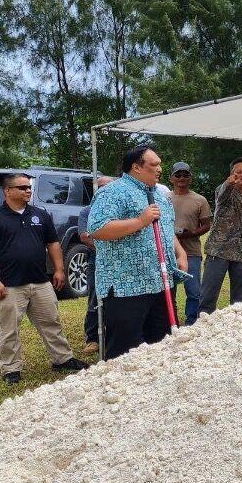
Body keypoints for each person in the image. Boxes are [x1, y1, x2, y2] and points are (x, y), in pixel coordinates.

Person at [0, 173, 89, 383]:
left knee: (52, 322)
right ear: (7, 191)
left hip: (40, 282)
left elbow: (53, 243)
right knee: (9, 329)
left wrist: (59, 270)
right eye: (22, 188)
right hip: (9, 285)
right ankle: (11, 369)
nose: (28, 190)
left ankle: (62, 359)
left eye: (28, 187)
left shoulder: (40, 214)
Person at [88, 146, 189, 359]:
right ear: (136, 167)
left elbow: (166, 229)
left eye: (160, 164)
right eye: (154, 165)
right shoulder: (112, 192)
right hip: (127, 286)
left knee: (163, 344)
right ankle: (121, 390)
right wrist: (140, 221)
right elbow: (97, 229)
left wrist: (180, 253)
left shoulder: (159, 195)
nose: (160, 169)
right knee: (125, 351)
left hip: (160, 282)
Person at [199, 157, 242, 314]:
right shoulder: (225, 190)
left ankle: (235, 331)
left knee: (239, 301)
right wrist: (229, 184)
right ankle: (202, 330)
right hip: (219, 251)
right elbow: (221, 196)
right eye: (238, 172)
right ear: (231, 174)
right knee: (208, 297)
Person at [169, 162, 212, 324]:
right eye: (178, 175)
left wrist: (191, 234)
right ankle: (170, 321)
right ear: (171, 178)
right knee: (168, 290)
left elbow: (207, 225)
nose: (181, 178)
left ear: (191, 178)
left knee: (193, 291)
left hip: (191, 252)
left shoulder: (199, 200)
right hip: (168, 252)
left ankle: (192, 322)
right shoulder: (164, 198)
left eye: (185, 175)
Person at [78, 175, 116, 354]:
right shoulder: (87, 211)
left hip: (119, 263)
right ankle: (92, 338)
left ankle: (114, 336)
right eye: (100, 186)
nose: (103, 189)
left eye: (107, 186)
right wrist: (109, 244)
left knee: (117, 299)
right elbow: (85, 236)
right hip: (96, 261)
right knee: (95, 298)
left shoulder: (119, 209)